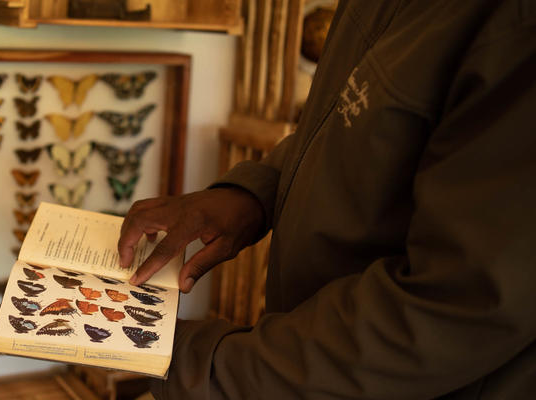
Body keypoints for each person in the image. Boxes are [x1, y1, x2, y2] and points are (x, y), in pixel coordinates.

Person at [117, 0, 536, 398]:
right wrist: (253, 192)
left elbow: (453, 311)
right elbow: (355, 124)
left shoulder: (516, 30)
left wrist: (197, 360)